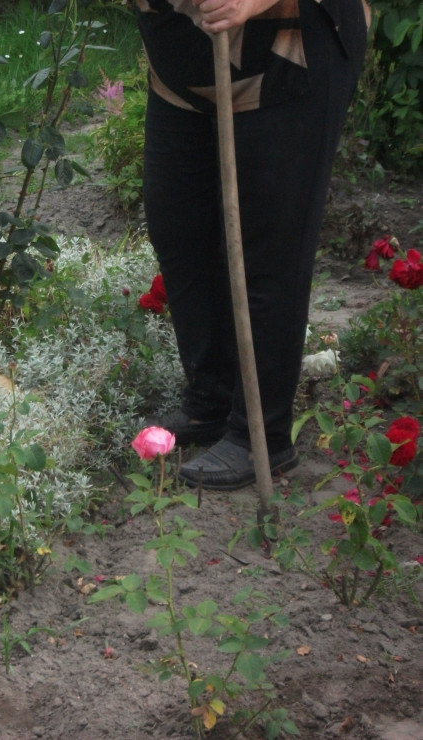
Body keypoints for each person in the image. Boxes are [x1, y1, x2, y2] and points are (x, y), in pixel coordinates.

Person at [136, 0, 371, 489]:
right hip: (181, 56)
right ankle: (212, 399)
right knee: (180, 227)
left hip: (290, 48)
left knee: (271, 246)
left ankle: (259, 434)